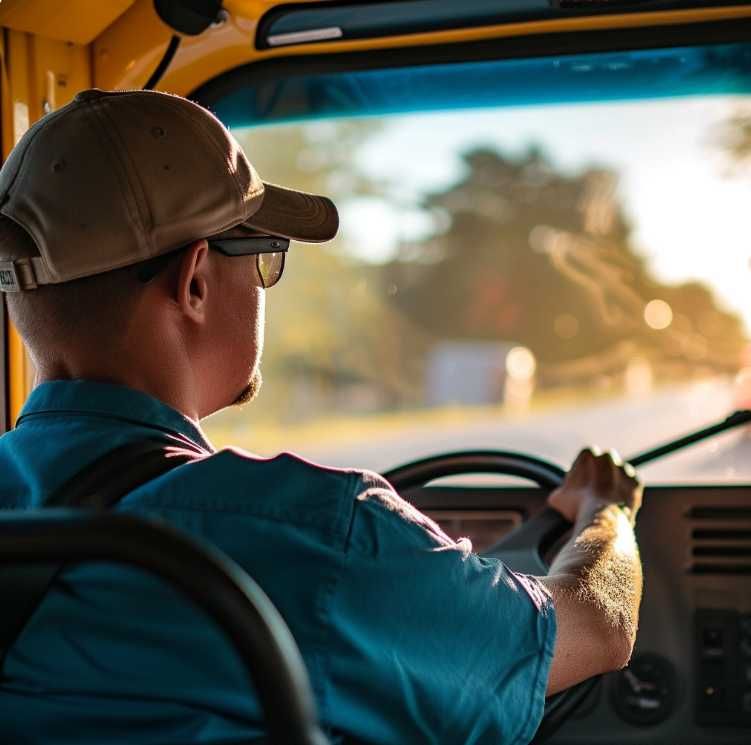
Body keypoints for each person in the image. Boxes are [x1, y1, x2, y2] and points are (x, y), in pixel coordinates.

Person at [0, 88, 642, 745]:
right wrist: (605, 510)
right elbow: (596, 627)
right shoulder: (314, 533)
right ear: (194, 281)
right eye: (261, 254)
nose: (262, 285)